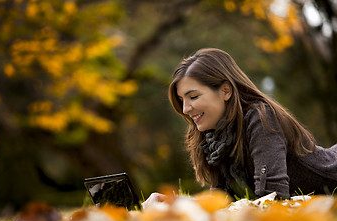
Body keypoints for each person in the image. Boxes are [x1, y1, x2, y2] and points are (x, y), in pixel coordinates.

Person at [143, 48, 337, 208]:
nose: (186, 109)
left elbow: (273, 200)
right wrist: (172, 204)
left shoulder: (261, 118)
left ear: (225, 91)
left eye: (193, 97)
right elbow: (221, 203)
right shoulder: (216, 139)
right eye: (181, 100)